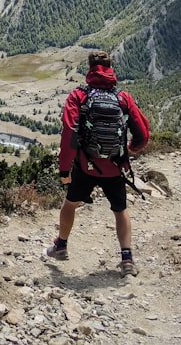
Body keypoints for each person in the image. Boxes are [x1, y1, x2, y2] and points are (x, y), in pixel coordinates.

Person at [45, 51, 150, 276]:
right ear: (111, 68)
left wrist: (64, 169)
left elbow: (69, 134)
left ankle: (61, 246)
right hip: (115, 166)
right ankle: (127, 258)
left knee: (70, 203)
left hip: (85, 166)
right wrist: (130, 150)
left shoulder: (78, 96)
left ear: (89, 69)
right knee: (120, 210)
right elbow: (142, 134)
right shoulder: (123, 97)